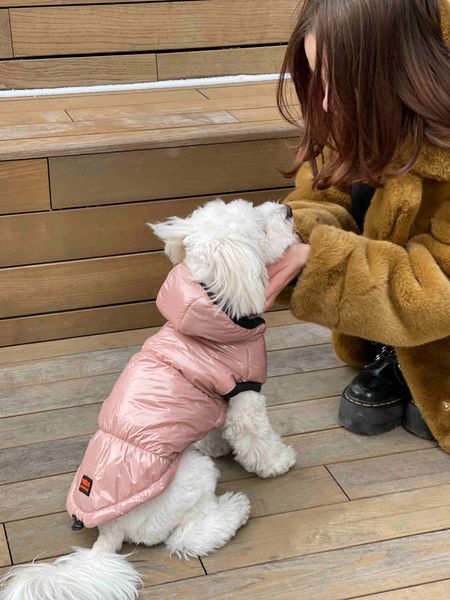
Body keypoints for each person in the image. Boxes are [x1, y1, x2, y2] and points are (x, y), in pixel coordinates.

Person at [265, 0, 450, 449]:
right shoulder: (363, 113)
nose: (325, 101)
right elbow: (322, 194)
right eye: (319, 80)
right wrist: (278, 239)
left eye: (338, 83)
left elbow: (441, 286)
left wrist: (314, 266)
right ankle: (395, 353)